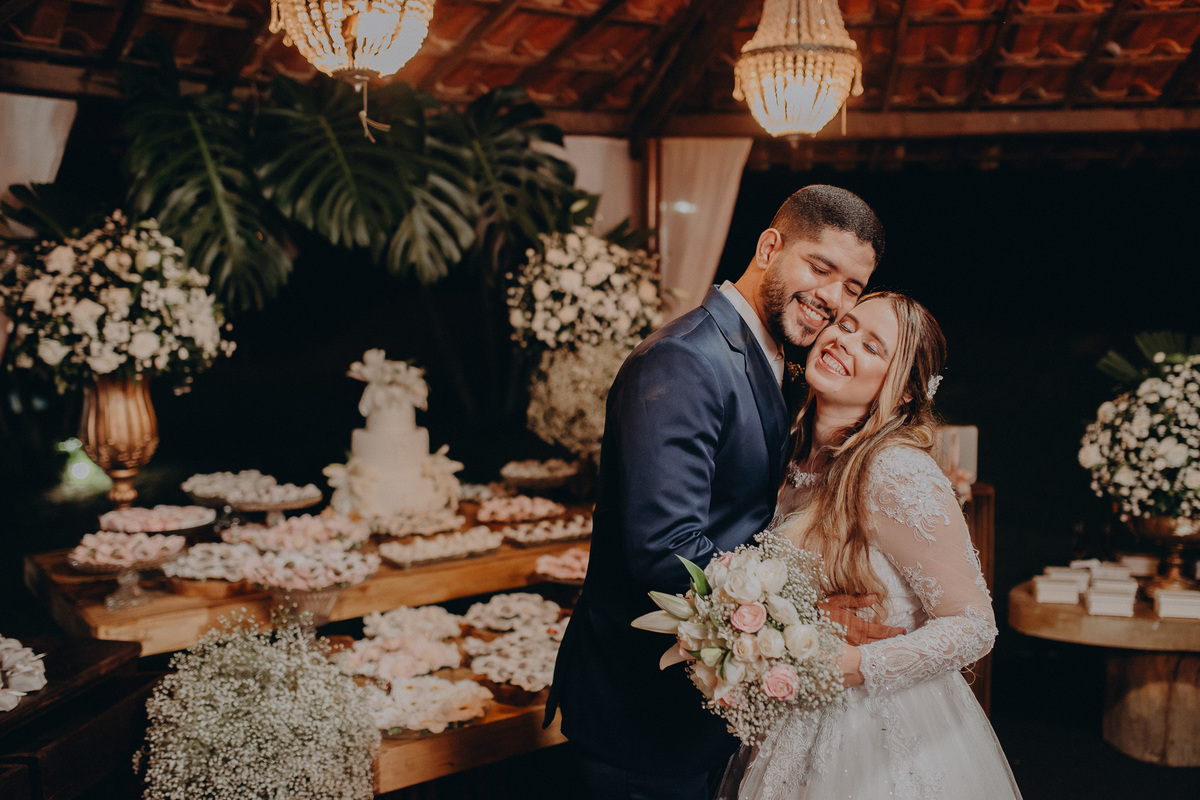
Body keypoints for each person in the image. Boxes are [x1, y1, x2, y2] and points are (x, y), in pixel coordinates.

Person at [545, 185, 895, 800]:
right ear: (769, 247)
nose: (833, 301)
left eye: (851, 288)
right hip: (642, 716)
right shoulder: (684, 361)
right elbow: (665, 548)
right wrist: (807, 609)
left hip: (700, 710)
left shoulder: (767, 357)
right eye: (820, 268)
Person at [718, 292, 1022, 800]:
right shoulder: (792, 451)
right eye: (846, 324)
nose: (844, 341)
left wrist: (848, 665)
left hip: (877, 736)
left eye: (873, 346)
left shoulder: (895, 473)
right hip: (794, 719)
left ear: (902, 392)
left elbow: (974, 626)